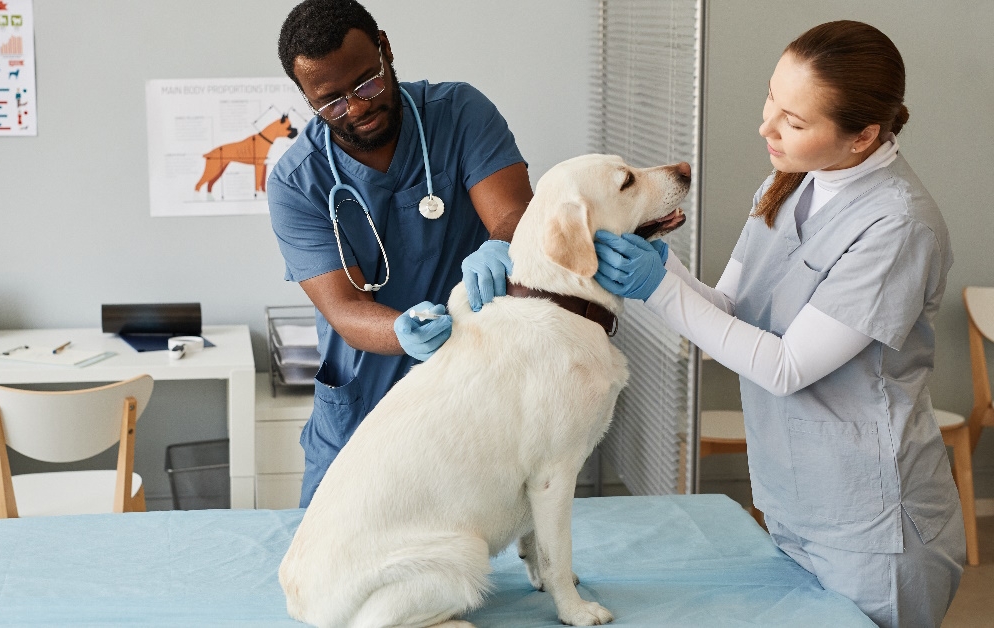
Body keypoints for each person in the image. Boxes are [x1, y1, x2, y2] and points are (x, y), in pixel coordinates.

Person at [591, 21, 964, 628]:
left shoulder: (897, 227)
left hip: (870, 527)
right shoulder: (787, 186)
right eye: (772, 97)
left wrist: (658, 292)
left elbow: (785, 366)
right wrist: (669, 268)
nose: (766, 126)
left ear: (864, 136)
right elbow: (732, 312)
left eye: (794, 121)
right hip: (793, 504)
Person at [268, 0, 532, 507]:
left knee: (467, 549)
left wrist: (502, 244)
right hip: (363, 402)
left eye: (367, 82)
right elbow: (344, 309)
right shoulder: (297, 182)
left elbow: (512, 213)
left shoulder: (459, 115)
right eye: (332, 101)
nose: (357, 107)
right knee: (332, 558)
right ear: (306, 98)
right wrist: (402, 332)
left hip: (470, 389)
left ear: (386, 49)